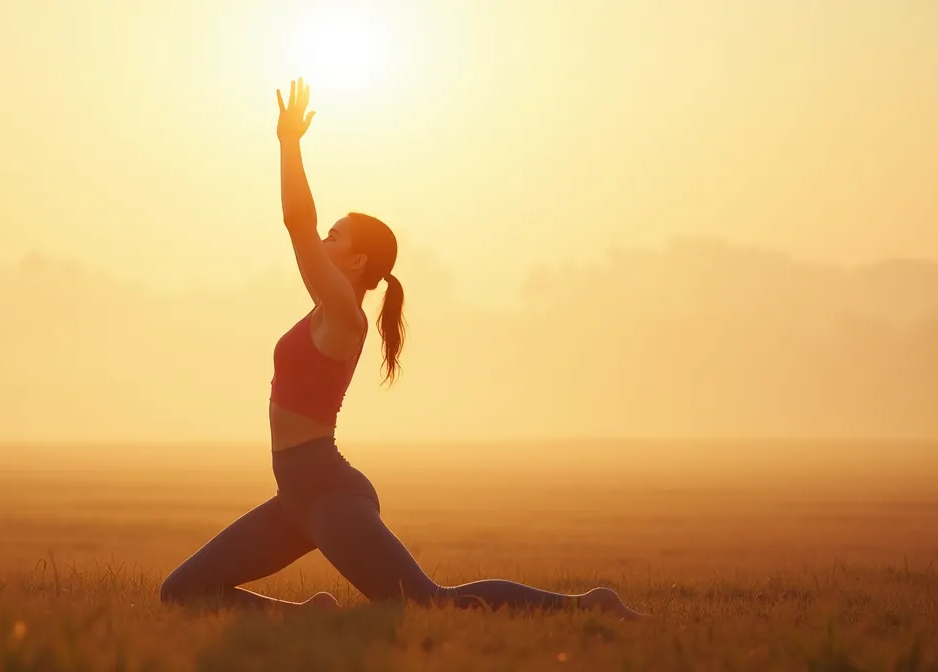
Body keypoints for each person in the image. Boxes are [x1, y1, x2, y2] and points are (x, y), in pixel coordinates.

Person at [159, 78, 646, 620]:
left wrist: (288, 143)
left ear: (359, 263)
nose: (325, 240)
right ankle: (309, 617)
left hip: (329, 495)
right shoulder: (324, 307)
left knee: (427, 603)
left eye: (336, 237)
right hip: (293, 497)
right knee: (181, 590)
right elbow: (304, 235)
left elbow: (297, 224)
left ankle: (590, 606)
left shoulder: (345, 317)